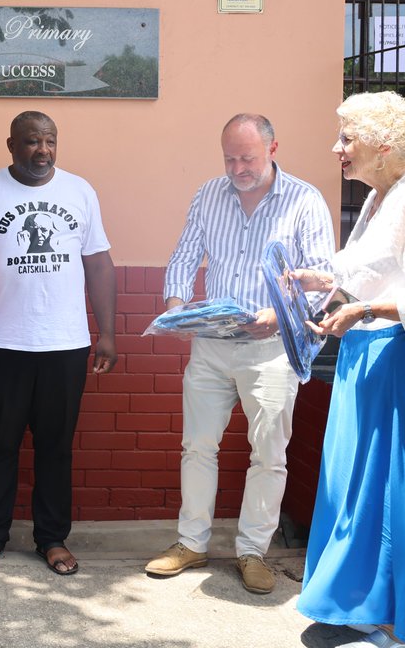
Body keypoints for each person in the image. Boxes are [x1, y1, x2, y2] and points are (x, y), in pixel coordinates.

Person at [145, 113, 333, 595]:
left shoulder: (305, 199)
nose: (237, 167)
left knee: (268, 456)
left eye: (247, 157)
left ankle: (253, 552)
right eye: (229, 157)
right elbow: (186, 255)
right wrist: (176, 310)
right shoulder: (209, 194)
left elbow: (322, 278)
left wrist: (279, 313)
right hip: (211, 344)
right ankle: (191, 543)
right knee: (197, 447)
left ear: (272, 148)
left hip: (271, 349)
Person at [0, 110, 117, 577]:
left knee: (56, 447)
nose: (42, 150)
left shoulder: (80, 191)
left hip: (65, 344)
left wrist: (107, 334)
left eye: (50, 141)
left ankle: (52, 539)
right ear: (11, 145)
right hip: (2, 343)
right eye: (31, 142)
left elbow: (99, 264)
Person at [294, 91, 405, 645]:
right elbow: (368, 270)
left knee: (385, 484)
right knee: (353, 481)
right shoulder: (377, 197)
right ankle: (361, 600)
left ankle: (387, 613)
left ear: (383, 146)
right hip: (363, 351)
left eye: (347, 138)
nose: (335, 147)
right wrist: (329, 287)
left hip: (393, 357)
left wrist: (360, 309)